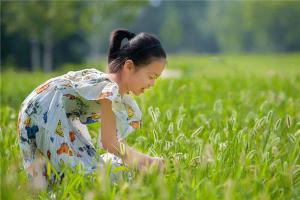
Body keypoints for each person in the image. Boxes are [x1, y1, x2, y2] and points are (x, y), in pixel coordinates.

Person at [17, 29, 167, 186]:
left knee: (57, 175)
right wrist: (148, 162)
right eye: (151, 77)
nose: (153, 84)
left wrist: (137, 160)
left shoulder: (110, 86)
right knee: (76, 178)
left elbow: (115, 142)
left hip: (40, 108)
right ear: (129, 67)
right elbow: (109, 143)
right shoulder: (110, 89)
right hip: (44, 110)